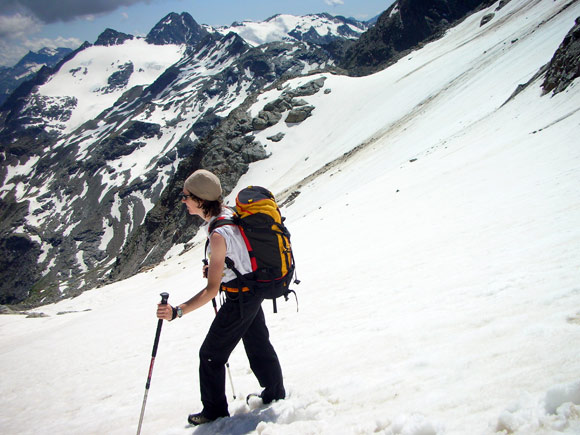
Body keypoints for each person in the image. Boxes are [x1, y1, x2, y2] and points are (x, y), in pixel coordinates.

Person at [156, 169, 285, 426]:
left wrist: (177, 311)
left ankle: (214, 411)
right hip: (253, 289)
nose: (183, 201)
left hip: (240, 298)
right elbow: (240, 253)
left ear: (201, 200)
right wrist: (223, 266)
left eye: (186, 196)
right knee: (258, 344)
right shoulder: (228, 214)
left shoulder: (217, 234)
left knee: (210, 355)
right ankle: (275, 393)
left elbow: (210, 291)